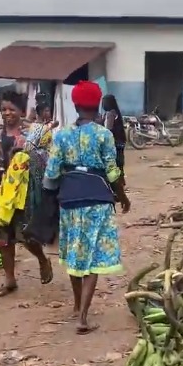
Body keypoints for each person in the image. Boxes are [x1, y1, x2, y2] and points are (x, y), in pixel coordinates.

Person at [44, 80, 129, 335]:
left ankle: (76, 306)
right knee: (92, 260)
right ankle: (82, 316)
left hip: (69, 200)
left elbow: (51, 174)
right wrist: (122, 196)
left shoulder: (62, 135)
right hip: (97, 199)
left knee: (74, 254)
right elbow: (113, 171)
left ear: (76, 104)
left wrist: (50, 196)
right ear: (97, 105)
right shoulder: (104, 135)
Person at [0, 124, 57, 296]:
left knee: (26, 235)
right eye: (4, 109)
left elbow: (42, 168)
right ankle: (9, 279)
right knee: (3, 238)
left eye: (11, 109)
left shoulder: (30, 136)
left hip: (24, 197)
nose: (7, 113)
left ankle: (43, 260)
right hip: (3, 192)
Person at [101, 93, 128, 188]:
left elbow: (107, 129)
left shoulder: (110, 114)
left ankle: (116, 186)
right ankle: (120, 183)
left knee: (113, 164)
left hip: (114, 143)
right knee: (119, 163)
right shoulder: (116, 112)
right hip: (120, 141)